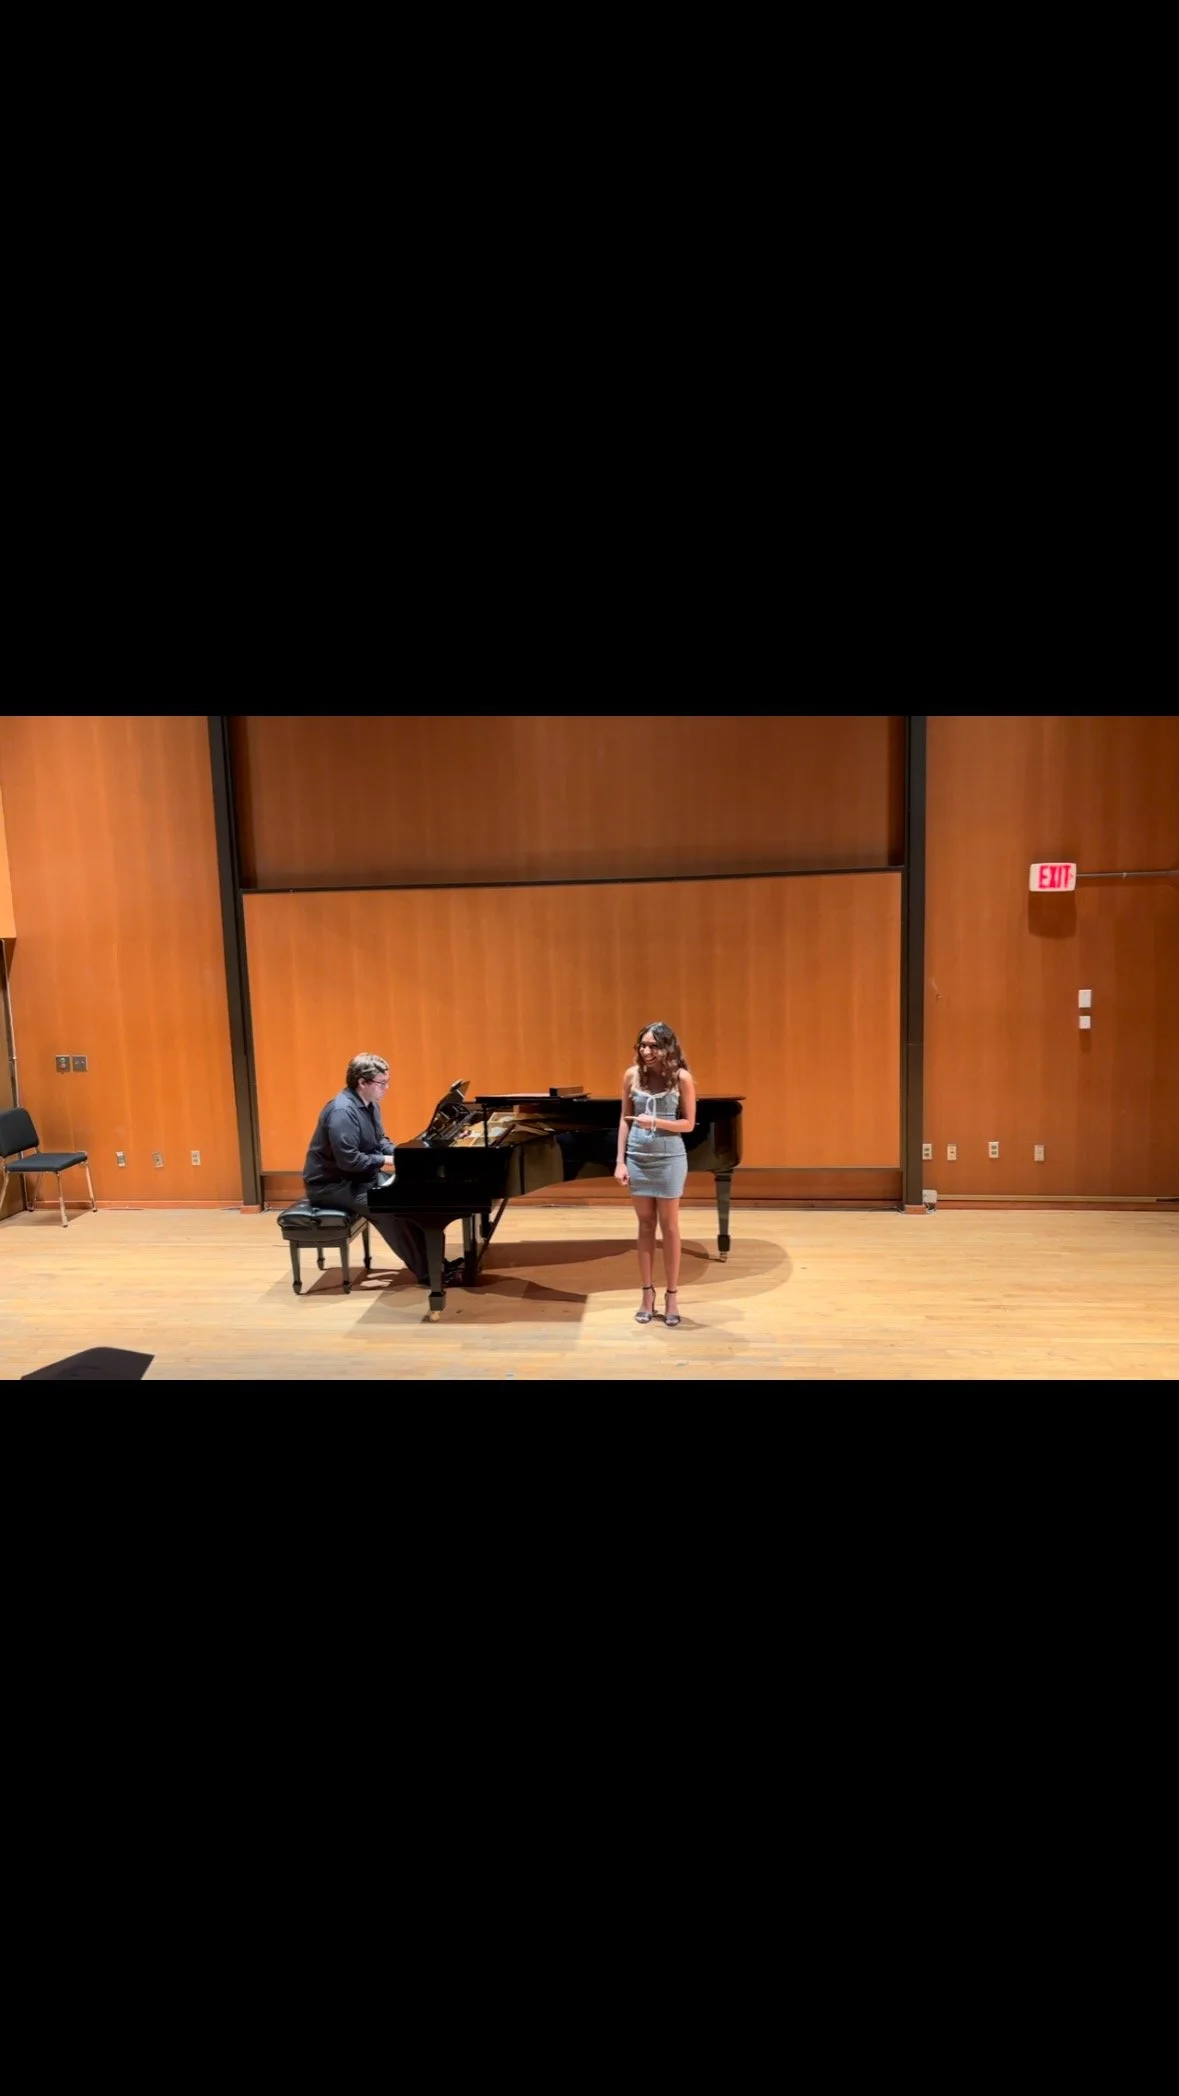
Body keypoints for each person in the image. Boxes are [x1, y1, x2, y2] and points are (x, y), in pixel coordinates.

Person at [302, 1053, 461, 1289]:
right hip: (332, 1185)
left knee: (413, 1197)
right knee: (392, 1211)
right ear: (362, 1082)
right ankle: (430, 1274)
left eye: (387, 1082)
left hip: (359, 1177)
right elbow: (349, 1161)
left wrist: (402, 1154)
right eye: (382, 1083)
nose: (386, 1088)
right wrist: (386, 1160)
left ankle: (438, 1263)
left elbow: (380, 1140)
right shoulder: (342, 1112)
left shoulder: (370, 1104)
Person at [615, 1022, 697, 1328]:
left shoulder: (681, 1078)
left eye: (653, 1046)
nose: (646, 1051)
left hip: (670, 1158)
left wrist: (656, 1122)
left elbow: (688, 1124)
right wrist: (620, 1161)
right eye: (642, 1045)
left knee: (670, 1226)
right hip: (638, 1156)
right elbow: (624, 1120)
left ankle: (672, 1295)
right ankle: (646, 1293)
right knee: (645, 1225)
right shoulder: (631, 1075)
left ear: (667, 1047)